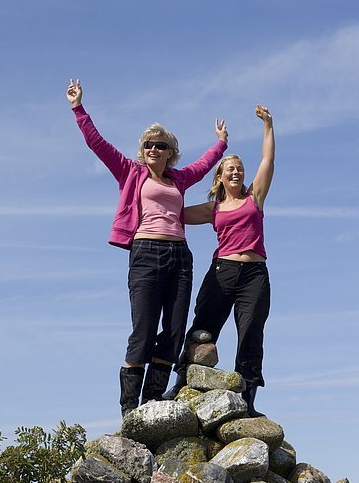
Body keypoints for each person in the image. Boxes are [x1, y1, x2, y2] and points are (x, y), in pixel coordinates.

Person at [66, 79, 228, 416]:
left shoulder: (179, 178)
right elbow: (98, 144)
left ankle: (152, 399)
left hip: (180, 257)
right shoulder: (131, 172)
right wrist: (79, 109)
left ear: (170, 151)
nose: (152, 149)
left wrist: (221, 144)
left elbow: (202, 165)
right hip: (146, 255)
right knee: (142, 330)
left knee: (173, 330)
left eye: (159, 145)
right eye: (148, 145)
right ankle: (129, 407)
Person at [165, 105, 275, 417]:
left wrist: (268, 125)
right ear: (221, 176)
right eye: (231, 169)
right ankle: (181, 380)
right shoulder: (213, 209)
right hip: (222, 272)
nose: (237, 172)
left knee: (251, 333)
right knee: (202, 328)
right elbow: (174, 211)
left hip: (254, 273)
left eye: (240, 168)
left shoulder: (255, 197)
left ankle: (248, 398)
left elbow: (268, 160)